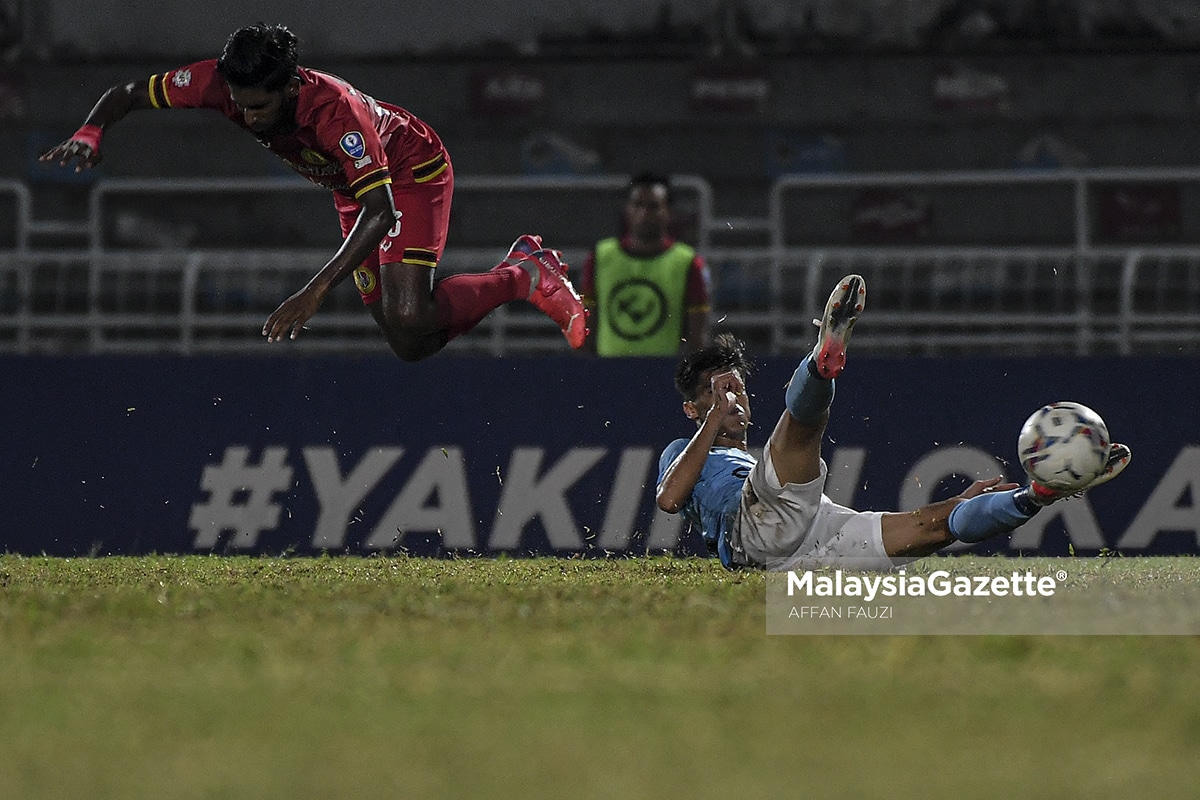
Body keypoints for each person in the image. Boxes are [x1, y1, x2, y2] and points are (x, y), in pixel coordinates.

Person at [39, 23, 586, 361]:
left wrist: (315, 290)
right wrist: (91, 132)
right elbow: (130, 93)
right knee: (408, 342)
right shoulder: (220, 83)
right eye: (240, 104)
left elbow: (381, 210)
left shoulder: (334, 113)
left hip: (407, 173)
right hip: (354, 190)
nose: (249, 118)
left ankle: (526, 274)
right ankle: (518, 273)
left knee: (409, 315)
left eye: (260, 106)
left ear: (292, 86)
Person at [656, 274, 1132, 571]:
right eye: (716, 393)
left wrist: (957, 502)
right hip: (754, 526)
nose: (731, 400)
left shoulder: (748, 458)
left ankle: (1039, 494)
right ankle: (823, 364)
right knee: (797, 437)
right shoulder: (683, 451)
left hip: (806, 543)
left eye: (736, 390)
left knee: (937, 527)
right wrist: (714, 417)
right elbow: (670, 500)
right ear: (692, 409)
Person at [580, 172, 711, 356]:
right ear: (627, 209)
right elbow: (585, 325)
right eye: (638, 205)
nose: (644, 213)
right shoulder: (601, 256)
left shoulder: (688, 262)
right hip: (607, 371)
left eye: (654, 206)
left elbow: (698, 337)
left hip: (664, 371)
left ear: (668, 212)